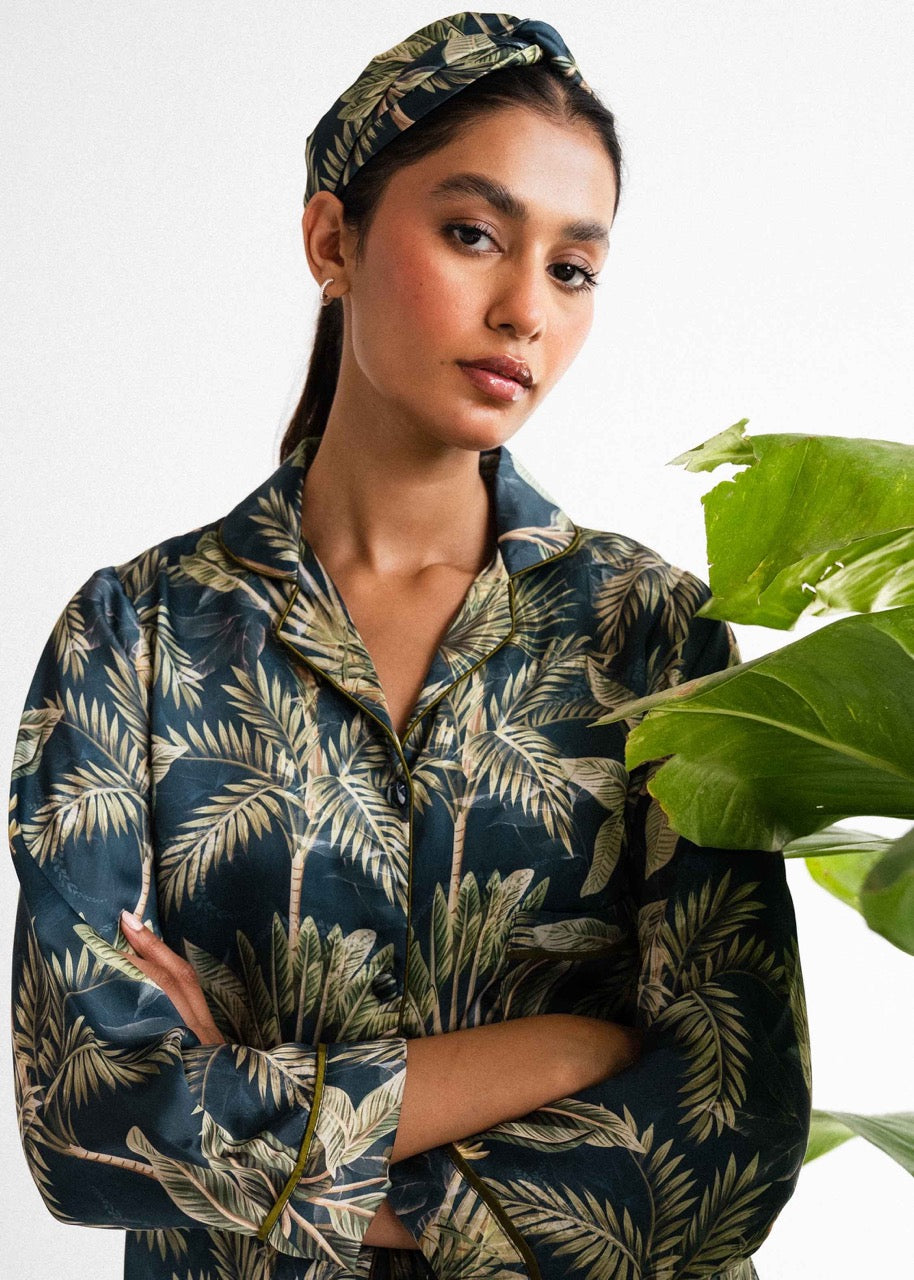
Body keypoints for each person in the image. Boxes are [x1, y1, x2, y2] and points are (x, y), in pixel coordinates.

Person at [8, 12, 812, 1280]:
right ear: (333, 239)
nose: (522, 310)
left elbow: (728, 1134)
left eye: (572, 268)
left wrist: (257, 1118)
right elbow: (88, 1123)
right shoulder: (139, 636)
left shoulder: (651, 636)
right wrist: (558, 1051)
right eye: (473, 233)